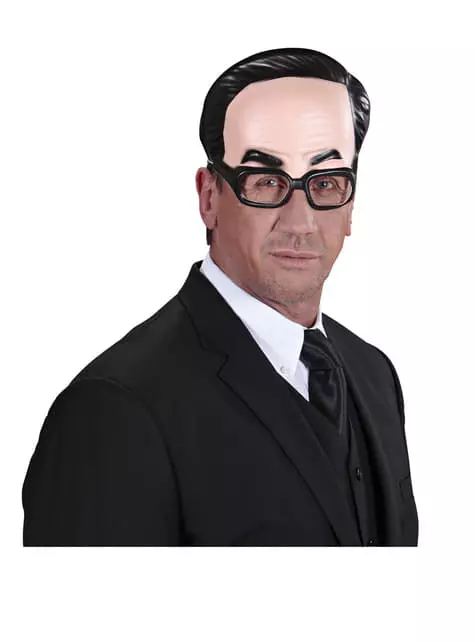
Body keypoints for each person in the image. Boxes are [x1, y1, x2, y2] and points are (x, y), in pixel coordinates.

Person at [22, 47, 418, 546]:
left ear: (351, 202)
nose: (300, 222)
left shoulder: (375, 374)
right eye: (266, 180)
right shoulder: (113, 411)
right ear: (210, 196)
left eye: (326, 181)